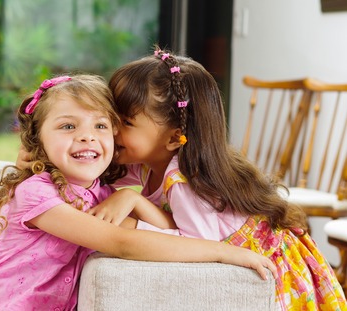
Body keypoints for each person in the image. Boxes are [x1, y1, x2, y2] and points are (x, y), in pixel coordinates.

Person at [0, 74, 276, 311]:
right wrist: (224, 252)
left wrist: (136, 201)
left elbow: (167, 230)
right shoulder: (36, 193)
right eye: (68, 127)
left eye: (100, 126)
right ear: (37, 139)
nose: (86, 137)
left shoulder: (102, 194)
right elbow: (122, 242)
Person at [82, 48, 346, 310]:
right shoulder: (145, 162)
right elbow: (99, 186)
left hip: (275, 266)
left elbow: (196, 247)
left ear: (174, 138)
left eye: (126, 123)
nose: (113, 130)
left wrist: (133, 205)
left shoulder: (183, 180)